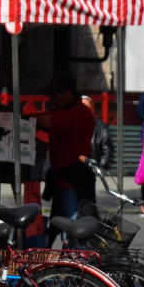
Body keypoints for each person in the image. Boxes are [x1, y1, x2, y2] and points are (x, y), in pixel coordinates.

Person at [33, 73, 97, 226]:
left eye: (54, 96)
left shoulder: (78, 113)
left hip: (74, 180)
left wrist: (20, 118)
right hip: (63, 178)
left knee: (72, 224)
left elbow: (46, 121)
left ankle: (75, 248)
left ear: (67, 94)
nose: (51, 100)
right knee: (61, 222)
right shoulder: (62, 110)